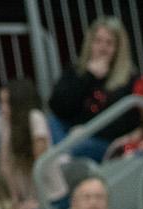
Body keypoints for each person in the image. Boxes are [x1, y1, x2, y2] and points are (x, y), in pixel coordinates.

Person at [47, 15, 136, 163]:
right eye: (98, 41)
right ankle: (62, 160)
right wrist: (87, 77)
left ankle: (61, 162)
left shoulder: (129, 79)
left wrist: (88, 130)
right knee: (50, 122)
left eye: (109, 43)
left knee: (77, 146)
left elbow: (121, 123)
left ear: (118, 49)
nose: (102, 48)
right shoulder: (77, 71)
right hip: (71, 134)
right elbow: (57, 106)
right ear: (90, 43)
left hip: (101, 140)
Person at [0, 78, 52, 209]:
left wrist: (36, 202)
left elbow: (40, 165)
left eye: (7, 103)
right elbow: (5, 165)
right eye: (1, 102)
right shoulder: (3, 123)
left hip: (49, 194)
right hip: (23, 195)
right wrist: (15, 199)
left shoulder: (35, 118)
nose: (2, 108)